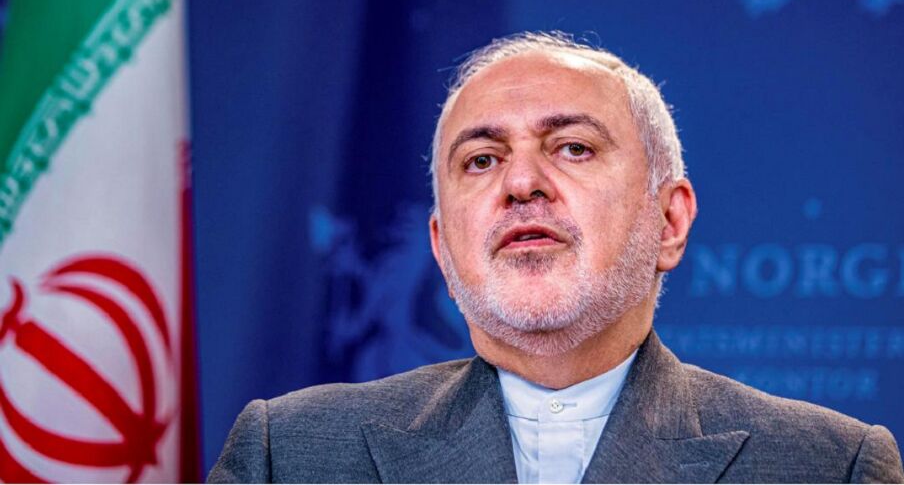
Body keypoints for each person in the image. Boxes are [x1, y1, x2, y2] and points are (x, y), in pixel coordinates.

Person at [208, 32, 904, 483]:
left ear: (669, 221)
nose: (520, 182)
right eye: (482, 159)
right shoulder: (288, 455)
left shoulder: (826, 466)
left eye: (573, 147)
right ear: (442, 249)